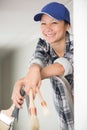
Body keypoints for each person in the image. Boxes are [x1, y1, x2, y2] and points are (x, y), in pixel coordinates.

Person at [12, 2, 74, 130]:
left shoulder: (78, 43)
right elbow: (37, 60)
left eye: (54, 23)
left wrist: (25, 80)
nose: (47, 28)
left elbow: (64, 66)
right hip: (64, 121)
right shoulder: (43, 44)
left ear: (67, 25)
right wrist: (33, 71)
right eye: (43, 23)